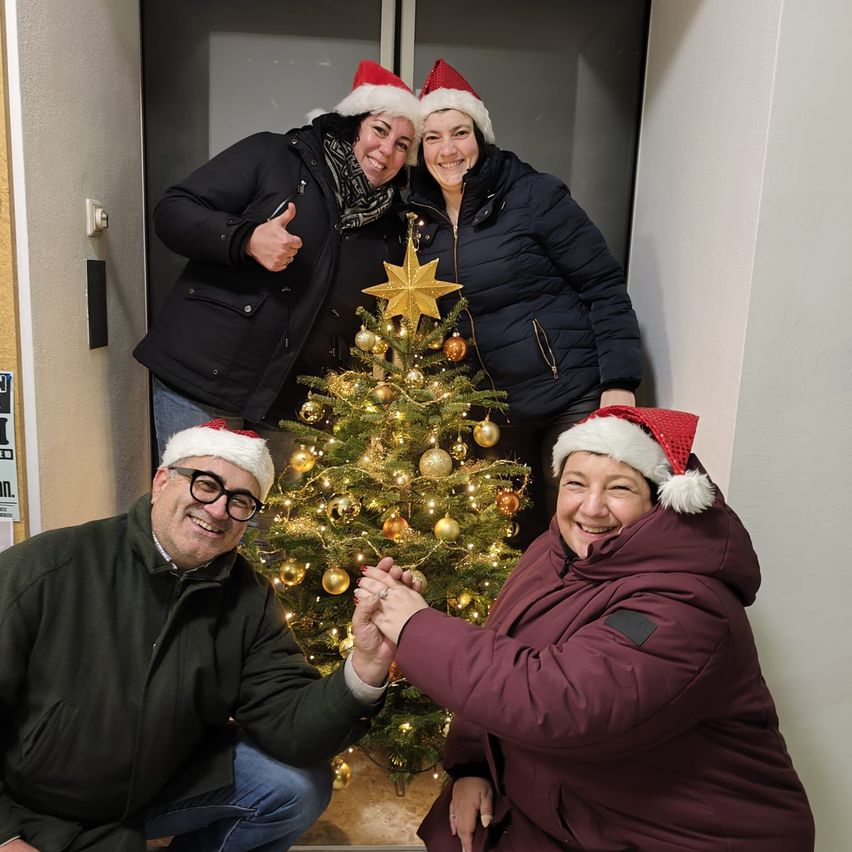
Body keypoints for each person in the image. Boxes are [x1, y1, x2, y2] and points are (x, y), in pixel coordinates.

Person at [357, 406, 815, 851]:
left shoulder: (688, 604)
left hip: (677, 835)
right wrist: (472, 766)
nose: (591, 508)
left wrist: (414, 625)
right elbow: (502, 646)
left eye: (619, 488)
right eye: (576, 483)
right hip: (573, 811)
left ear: (659, 500)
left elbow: (558, 700)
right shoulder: (552, 551)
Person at [0, 419, 399, 852]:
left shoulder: (250, 598)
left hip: (156, 785)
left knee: (296, 785)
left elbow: (288, 724)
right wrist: (5, 837)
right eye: (206, 485)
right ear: (161, 481)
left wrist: (365, 667)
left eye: (240, 500)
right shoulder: (45, 568)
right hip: (34, 803)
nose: (218, 510)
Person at [133, 60, 421, 466]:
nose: (387, 151)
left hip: (290, 407)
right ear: (353, 124)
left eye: (403, 144)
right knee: (196, 501)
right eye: (380, 130)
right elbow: (173, 212)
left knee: (268, 512)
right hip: (203, 381)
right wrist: (246, 239)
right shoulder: (274, 155)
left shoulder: (391, 225)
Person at [409, 59, 642, 542]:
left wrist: (620, 381)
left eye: (460, 133)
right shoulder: (417, 216)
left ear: (480, 136)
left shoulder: (532, 194)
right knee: (508, 540)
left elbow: (603, 285)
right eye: (433, 137)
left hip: (568, 395)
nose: (448, 150)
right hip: (489, 413)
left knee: (579, 530)